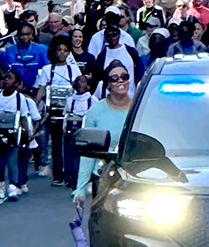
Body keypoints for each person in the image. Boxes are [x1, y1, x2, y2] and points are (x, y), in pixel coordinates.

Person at [73, 61, 135, 213]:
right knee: (101, 220)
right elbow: (87, 153)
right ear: (107, 85)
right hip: (104, 176)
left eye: (124, 76)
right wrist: (80, 189)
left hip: (134, 177)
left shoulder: (139, 108)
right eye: (114, 78)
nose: (120, 80)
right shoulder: (95, 112)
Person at [36, 36, 85, 187]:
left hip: (70, 112)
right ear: (54, 52)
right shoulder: (47, 70)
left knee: (69, 143)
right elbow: (41, 90)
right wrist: (34, 107)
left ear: (69, 52)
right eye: (59, 50)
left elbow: (80, 87)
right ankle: (58, 175)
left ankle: (70, 174)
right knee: (56, 143)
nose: (62, 53)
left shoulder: (73, 69)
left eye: (65, 50)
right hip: (53, 112)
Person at [0, 68, 40, 200]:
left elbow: (23, 117)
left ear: (16, 83)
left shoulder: (19, 98)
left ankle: (13, 186)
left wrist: (29, 132)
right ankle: (0, 186)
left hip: (14, 133)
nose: (5, 80)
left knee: (13, 160)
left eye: (9, 78)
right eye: (4, 77)